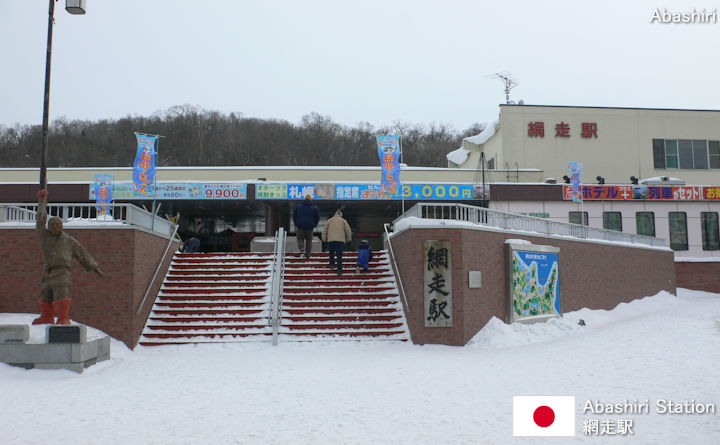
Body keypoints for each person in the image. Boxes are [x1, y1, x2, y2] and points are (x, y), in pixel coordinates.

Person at [33, 189, 104, 325]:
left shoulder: (68, 240)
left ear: (62, 226)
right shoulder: (44, 235)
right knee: (46, 291)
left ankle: (63, 318)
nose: (55, 226)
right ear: (49, 226)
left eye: (58, 225)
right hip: (48, 270)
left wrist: (94, 267)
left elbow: (82, 253)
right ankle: (47, 317)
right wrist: (42, 201)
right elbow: (40, 219)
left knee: (61, 290)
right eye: (53, 224)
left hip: (63, 271)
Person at [321, 209, 352, 275]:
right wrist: (349, 239)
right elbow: (348, 231)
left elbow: (325, 231)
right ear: (341, 215)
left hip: (331, 240)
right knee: (339, 255)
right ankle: (339, 270)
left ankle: (332, 264)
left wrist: (324, 239)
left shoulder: (329, 220)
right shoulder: (343, 221)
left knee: (331, 253)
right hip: (340, 240)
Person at [292, 194, 320, 259]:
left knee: (300, 238)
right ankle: (308, 254)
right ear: (311, 199)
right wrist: (314, 224)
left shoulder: (298, 207)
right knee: (309, 240)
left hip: (300, 226)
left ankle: (302, 248)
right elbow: (317, 217)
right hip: (310, 227)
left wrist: (296, 223)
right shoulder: (314, 208)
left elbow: (294, 216)